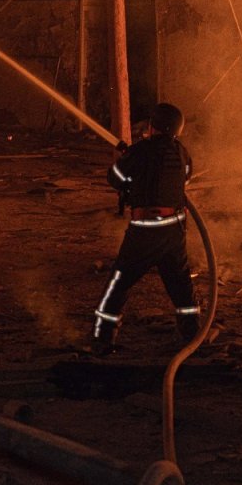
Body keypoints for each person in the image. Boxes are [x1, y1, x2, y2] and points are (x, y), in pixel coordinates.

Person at [91, 103, 201, 356]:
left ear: (153, 126)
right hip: (174, 231)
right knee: (180, 284)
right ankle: (192, 334)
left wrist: (128, 160)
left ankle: (102, 338)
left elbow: (115, 178)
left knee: (119, 282)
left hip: (145, 230)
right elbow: (184, 178)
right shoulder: (182, 153)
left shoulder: (140, 152)